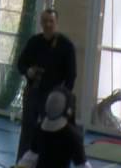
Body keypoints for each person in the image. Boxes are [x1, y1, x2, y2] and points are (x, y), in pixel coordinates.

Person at [13, 9, 76, 160]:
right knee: (28, 129)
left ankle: (47, 164)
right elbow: (21, 63)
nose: (48, 24)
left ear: (56, 23)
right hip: (33, 92)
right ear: (41, 23)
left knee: (51, 131)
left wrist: (63, 98)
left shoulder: (66, 46)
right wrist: (28, 71)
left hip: (53, 97)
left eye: (51, 21)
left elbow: (71, 75)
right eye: (45, 21)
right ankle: (22, 163)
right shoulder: (34, 42)